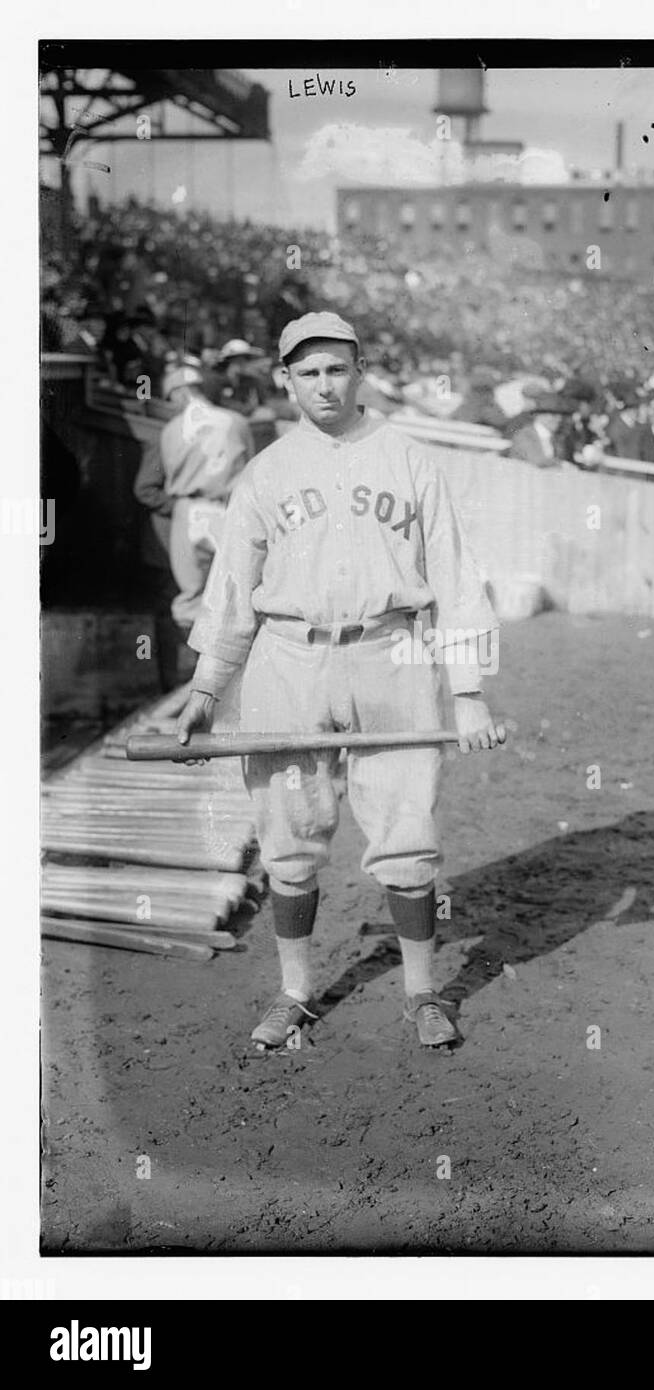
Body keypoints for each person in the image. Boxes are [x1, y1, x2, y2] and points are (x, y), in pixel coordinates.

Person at [175, 311, 503, 1050]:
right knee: (288, 838)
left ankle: (422, 991)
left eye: (336, 369)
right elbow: (230, 590)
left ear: (359, 373)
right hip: (287, 660)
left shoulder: (410, 458)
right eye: (307, 372)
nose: (324, 385)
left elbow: (453, 574)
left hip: (391, 653)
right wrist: (204, 693)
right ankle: (294, 991)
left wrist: (468, 690)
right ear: (285, 380)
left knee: (407, 833)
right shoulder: (266, 472)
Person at [134, 365, 253, 637]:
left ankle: (198, 668)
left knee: (191, 595)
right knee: (234, 591)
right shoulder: (236, 421)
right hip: (229, 508)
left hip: (188, 511)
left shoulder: (169, 430)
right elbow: (249, 468)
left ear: (178, 393)